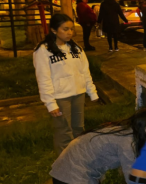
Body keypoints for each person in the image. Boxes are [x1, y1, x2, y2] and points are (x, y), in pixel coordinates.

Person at [33, 13, 99, 155]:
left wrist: (91, 92)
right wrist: (50, 103)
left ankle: (78, 160)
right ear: (54, 30)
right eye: (65, 29)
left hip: (78, 94)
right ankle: (63, 166)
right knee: (64, 132)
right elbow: (43, 78)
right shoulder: (43, 50)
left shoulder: (75, 48)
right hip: (60, 97)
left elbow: (84, 71)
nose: (70, 32)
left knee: (78, 129)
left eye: (71, 29)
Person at [49, 108, 146, 184]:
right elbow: (132, 178)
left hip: (65, 168)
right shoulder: (128, 142)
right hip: (71, 176)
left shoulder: (124, 129)